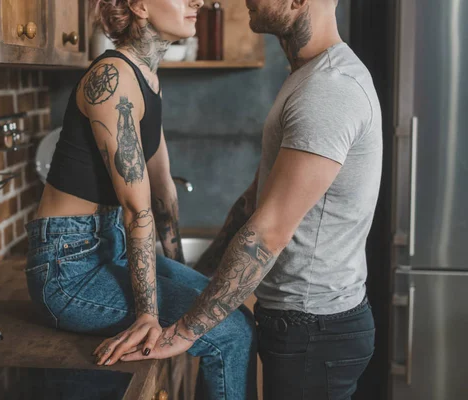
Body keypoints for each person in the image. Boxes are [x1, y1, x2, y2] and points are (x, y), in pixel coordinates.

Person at [119, 0, 382, 399]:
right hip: (305, 324)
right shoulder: (308, 77)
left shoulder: (329, 89)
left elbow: (269, 230)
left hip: (314, 328)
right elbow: (251, 203)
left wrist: (188, 329)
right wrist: (202, 275)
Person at [24, 0, 258, 398]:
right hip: (69, 270)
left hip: (111, 249)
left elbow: (163, 189)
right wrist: (150, 314)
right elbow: (137, 207)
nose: (197, 1)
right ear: (139, 5)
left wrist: (178, 269)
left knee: (226, 311)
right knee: (230, 332)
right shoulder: (111, 77)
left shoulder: (147, 77)